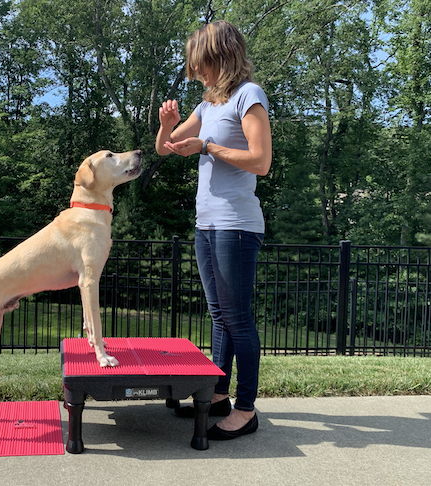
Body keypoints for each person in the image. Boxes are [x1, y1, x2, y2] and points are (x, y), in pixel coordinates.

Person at [155, 20, 271, 441]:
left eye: (202, 64)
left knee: (238, 319)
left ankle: (245, 409)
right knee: (219, 316)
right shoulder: (206, 106)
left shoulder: (249, 96)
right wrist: (168, 126)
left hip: (236, 225)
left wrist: (207, 146)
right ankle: (217, 396)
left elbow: (260, 161)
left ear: (221, 57)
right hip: (207, 224)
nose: (198, 73)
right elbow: (163, 148)